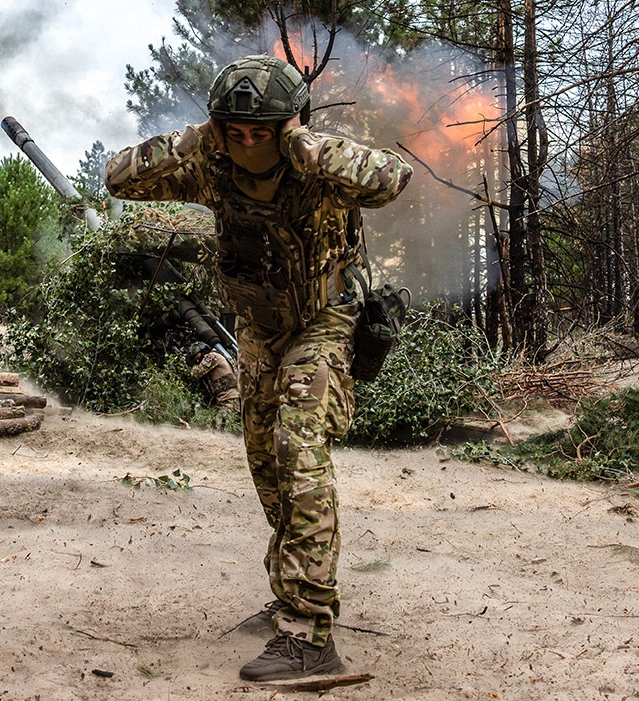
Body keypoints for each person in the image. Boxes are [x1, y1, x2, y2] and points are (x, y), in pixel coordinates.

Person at [105, 54, 412, 680]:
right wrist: (197, 138)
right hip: (258, 332)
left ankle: (309, 635)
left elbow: (391, 178)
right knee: (267, 467)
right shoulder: (211, 164)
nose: (249, 143)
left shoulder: (319, 168)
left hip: (325, 322)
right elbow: (118, 178)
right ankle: (290, 597)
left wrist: (302, 142)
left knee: (299, 451)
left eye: (262, 131)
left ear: (289, 123)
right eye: (236, 131)